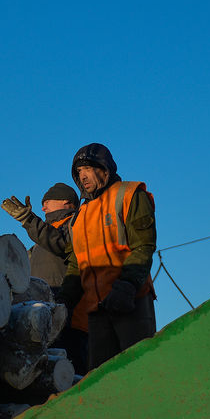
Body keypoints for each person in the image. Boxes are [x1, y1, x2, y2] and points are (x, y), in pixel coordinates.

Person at [57, 143, 157, 370]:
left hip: (131, 301)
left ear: (105, 169)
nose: (82, 176)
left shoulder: (130, 194)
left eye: (87, 169)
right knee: (101, 380)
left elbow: (143, 246)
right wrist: (64, 301)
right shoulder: (79, 216)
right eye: (78, 172)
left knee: (139, 370)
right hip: (97, 311)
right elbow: (76, 265)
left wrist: (127, 286)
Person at [1, 182, 89, 374]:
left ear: (67, 202)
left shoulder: (76, 223)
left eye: (47, 202)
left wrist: (29, 220)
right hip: (43, 312)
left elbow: (61, 244)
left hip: (69, 311)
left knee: (72, 370)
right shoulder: (42, 240)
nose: (43, 208)